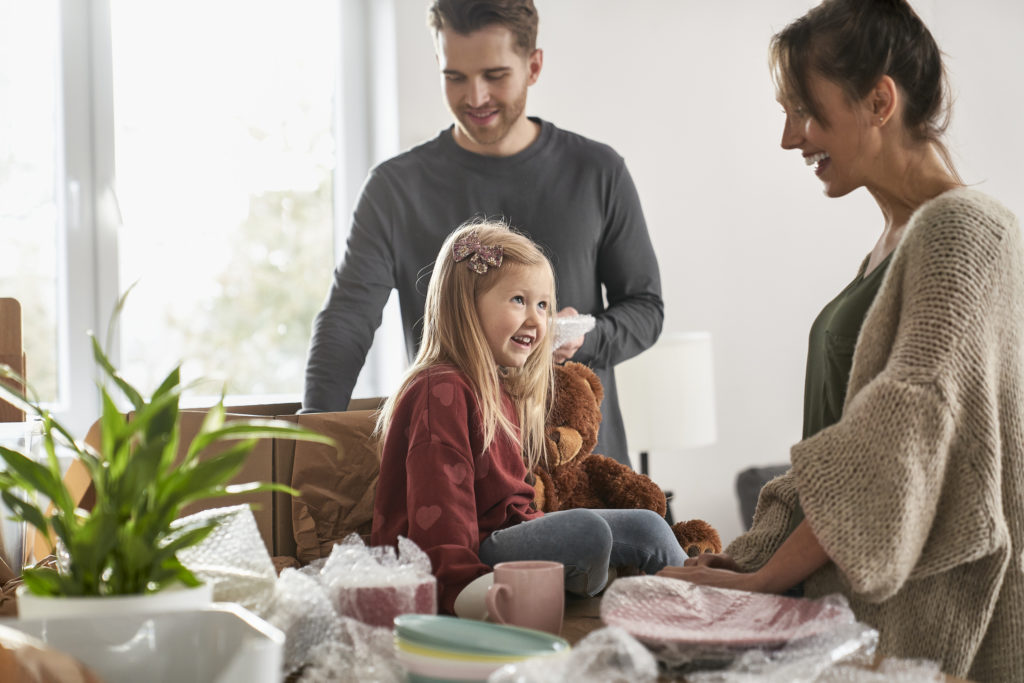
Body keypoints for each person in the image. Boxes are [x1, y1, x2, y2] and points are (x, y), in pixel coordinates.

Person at [658, 1, 1024, 680]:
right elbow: (838, 448)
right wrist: (749, 556)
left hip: (913, 633)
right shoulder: (895, 243)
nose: (791, 137)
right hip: (847, 619)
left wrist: (767, 580)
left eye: (806, 108)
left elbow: (897, 436)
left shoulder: (965, 229)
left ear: (880, 99)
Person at [302, 0, 662, 467]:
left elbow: (646, 309)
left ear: (533, 66)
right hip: (455, 475)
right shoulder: (395, 189)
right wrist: (307, 452)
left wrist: (582, 338)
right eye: (455, 77)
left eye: (495, 75)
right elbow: (346, 323)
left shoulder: (598, 171)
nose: (474, 97)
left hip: (582, 467)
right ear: (438, 63)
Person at [371, 221, 685, 615]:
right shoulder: (441, 390)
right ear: (467, 304)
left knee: (649, 526)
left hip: (510, 537)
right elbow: (439, 507)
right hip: (471, 561)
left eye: (542, 305)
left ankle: (700, 605)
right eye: (518, 300)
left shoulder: (498, 387)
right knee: (588, 532)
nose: (537, 320)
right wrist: (458, 588)